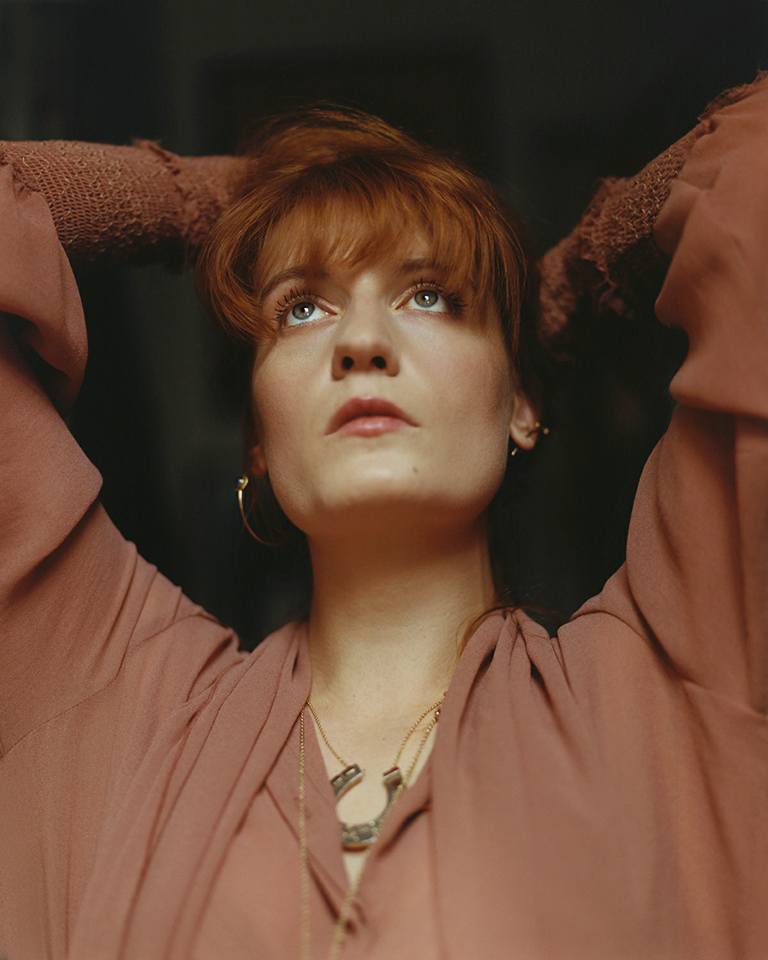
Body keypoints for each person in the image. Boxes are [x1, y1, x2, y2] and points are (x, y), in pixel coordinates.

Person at [0, 72, 765, 960]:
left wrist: (583, 265)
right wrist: (209, 202)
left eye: (430, 295)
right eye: (302, 308)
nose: (361, 343)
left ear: (521, 402)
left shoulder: (673, 680)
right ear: (258, 440)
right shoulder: (111, 698)